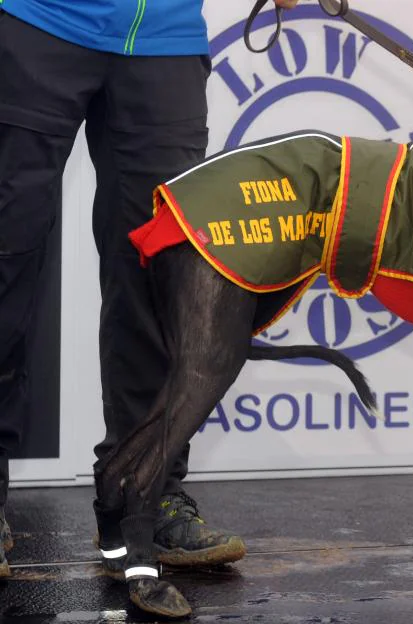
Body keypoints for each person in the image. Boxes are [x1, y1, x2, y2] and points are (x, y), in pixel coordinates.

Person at [0, 0, 298, 578]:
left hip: (164, 39)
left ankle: (144, 495)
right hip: (37, 20)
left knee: (162, 277)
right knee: (6, 261)